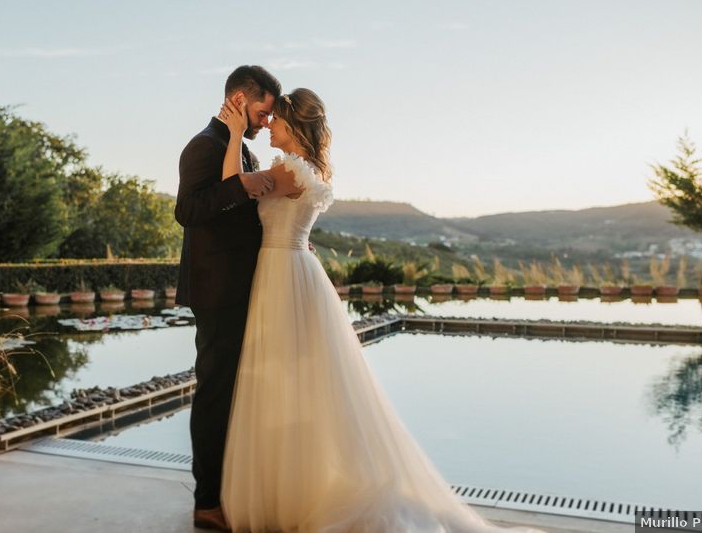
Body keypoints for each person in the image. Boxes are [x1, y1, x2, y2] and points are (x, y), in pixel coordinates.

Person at [215, 89, 545, 532]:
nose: (268, 125)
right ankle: (293, 485)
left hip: (283, 273)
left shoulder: (289, 171)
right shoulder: (302, 169)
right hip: (287, 270)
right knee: (293, 385)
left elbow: (230, 191)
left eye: (275, 120)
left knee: (287, 382)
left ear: (293, 127)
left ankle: (291, 491)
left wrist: (235, 133)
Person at [174, 65, 281, 531]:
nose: (264, 122)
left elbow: (242, 219)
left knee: (238, 392)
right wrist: (239, 184)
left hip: (244, 289)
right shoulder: (204, 145)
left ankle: (232, 486)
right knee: (214, 394)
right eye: (262, 111)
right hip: (218, 293)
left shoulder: (241, 150)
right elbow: (188, 210)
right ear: (239, 100)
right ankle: (206, 501)